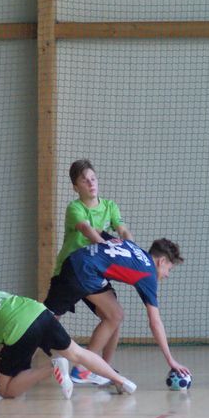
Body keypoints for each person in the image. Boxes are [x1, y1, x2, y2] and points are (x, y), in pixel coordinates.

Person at [0, 267, 137, 400]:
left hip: (19, 328)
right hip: (38, 311)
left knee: (6, 390)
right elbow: (4, 322)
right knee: (77, 353)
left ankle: (52, 366)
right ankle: (121, 381)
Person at [43, 238, 190, 379]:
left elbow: (105, 240)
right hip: (84, 270)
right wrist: (170, 360)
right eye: (169, 269)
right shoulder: (148, 274)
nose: (167, 275)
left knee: (114, 316)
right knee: (113, 316)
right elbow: (155, 322)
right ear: (162, 261)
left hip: (79, 261)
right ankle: (83, 369)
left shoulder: (133, 247)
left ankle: (102, 368)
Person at [51, 159, 134, 386]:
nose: (91, 183)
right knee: (43, 321)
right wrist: (106, 246)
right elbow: (86, 230)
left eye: (93, 179)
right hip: (69, 272)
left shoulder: (109, 206)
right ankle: (0, 361)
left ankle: (99, 369)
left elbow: (123, 230)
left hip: (92, 273)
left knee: (114, 316)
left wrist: (131, 248)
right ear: (75, 187)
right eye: (84, 181)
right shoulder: (75, 208)